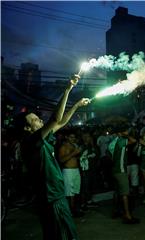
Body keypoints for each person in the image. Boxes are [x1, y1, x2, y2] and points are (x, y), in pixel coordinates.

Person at [17, 74, 90, 240]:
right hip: (51, 198)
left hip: (56, 195)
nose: (40, 120)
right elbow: (55, 118)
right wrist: (67, 89)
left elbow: (61, 122)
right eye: (35, 120)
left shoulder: (42, 140)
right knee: (61, 235)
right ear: (28, 129)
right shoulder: (30, 142)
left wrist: (77, 105)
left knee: (60, 233)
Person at [108, 124, 140, 224]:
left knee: (117, 192)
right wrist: (125, 135)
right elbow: (134, 141)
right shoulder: (121, 141)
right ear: (120, 133)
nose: (128, 132)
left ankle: (115, 211)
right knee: (125, 194)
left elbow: (108, 154)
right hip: (121, 170)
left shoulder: (113, 142)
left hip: (114, 170)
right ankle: (128, 216)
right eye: (126, 131)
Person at [58, 130, 83, 217]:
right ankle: (69, 211)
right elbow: (61, 160)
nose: (73, 139)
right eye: (71, 137)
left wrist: (80, 155)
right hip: (68, 171)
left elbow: (76, 157)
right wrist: (74, 153)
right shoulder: (63, 147)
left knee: (76, 191)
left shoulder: (74, 145)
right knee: (69, 193)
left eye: (74, 137)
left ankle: (74, 210)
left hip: (76, 170)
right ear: (67, 137)